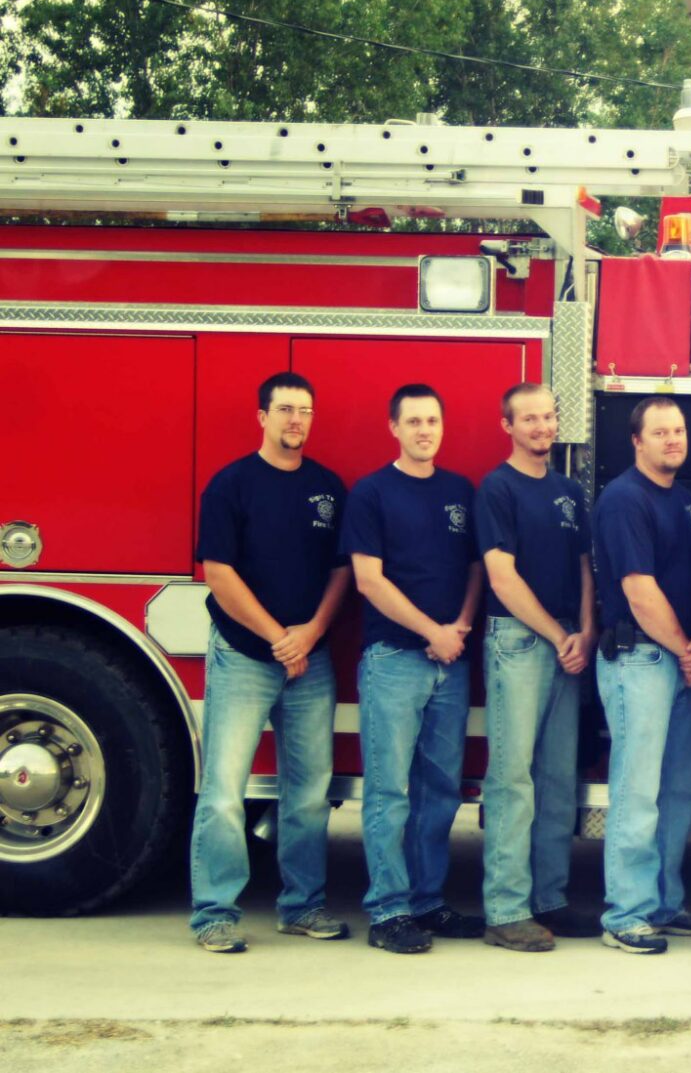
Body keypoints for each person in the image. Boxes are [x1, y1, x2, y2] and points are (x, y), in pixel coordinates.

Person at [187, 372, 352, 953]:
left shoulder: (329, 488)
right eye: (284, 409)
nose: (295, 421)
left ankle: (300, 907)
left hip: (311, 659)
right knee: (225, 790)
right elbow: (218, 572)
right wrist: (279, 636)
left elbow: (342, 571)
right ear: (261, 416)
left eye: (305, 410)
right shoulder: (231, 485)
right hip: (244, 657)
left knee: (308, 793)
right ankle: (214, 911)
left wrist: (310, 633)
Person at [344, 383, 485, 954]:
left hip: (449, 664)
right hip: (394, 661)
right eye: (414, 421)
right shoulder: (372, 493)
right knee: (388, 792)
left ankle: (427, 902)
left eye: (433, 420)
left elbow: (477, 568)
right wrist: (433, 633)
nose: (425, 430)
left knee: (440, 791)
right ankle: (388, 912)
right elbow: (368, 579)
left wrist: (460, 629)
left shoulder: (459, 491)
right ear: (394, 429)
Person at [475, 384, 597, 951]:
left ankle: (548, 900)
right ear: (508, 426)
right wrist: (558, 634)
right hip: (519, 644)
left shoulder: (569, 489)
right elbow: (502, 577)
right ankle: (505, 909)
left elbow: (584, 568)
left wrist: (585, 632)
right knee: (513, 780)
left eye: (549, 416)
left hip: (567, 644)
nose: (542, 427)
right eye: (529, 419)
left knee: (555, 781)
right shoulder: (496, 489)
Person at [590, 396, 691, 953]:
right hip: (640, 660)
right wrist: (687, 648)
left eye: (680, 430)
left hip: (682, 661)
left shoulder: (684, 500)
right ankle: (625, 914)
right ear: (636, 440)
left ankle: (663, 902)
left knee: (677, 792)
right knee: (638, 791)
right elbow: (639, 592)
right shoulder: (623, 500)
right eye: (661, 432)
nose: (673, 439)